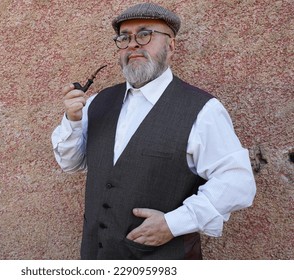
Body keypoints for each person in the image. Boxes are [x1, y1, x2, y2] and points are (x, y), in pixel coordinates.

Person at [51, 3, 256, 259]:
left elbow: (237, 183)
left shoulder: (203, 110)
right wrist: (72, 120)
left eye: (145, 34)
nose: (133, 44)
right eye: (124, 38)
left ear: (171, 46)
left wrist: (174, 223)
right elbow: (71, 164)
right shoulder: (97, 102)